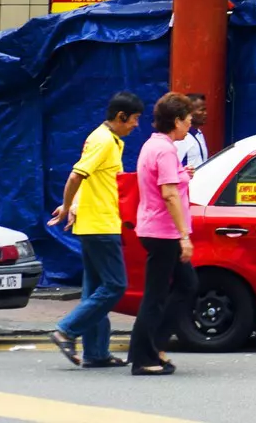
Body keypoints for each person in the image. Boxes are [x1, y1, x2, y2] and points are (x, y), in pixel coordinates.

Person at [47, 91, 146, 369]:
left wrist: (74, 204)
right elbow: (76, 175)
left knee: (94, 291)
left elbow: (88, 180)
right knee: (115, 285)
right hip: (100, 225)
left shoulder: (108, 140)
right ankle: (66, 329)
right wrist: (67, 206)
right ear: (120, 117)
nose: (136, 125)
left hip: (93, 223)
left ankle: (96, 352)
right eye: (134, 119)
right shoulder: (104, 141)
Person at [128, 92, 199, 376]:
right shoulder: (165, 149)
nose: (191, 124)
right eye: (188, 119)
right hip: (163, 232)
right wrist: (184, 236)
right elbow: (169, 194)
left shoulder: (154, 145)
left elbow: (168, 182)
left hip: (156, 229)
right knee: (156, 295)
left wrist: (182, 174)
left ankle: (153, 345)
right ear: (177, 121)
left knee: (187, 284)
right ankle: (144, 356)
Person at [175, 94, 210, 171]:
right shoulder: (181, 138)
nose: (205, 113)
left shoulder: (199, 133)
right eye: (201, 110)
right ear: (189, 113)